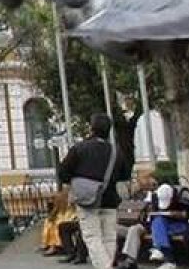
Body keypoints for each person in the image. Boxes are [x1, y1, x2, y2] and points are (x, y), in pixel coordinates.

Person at [57, 113, 133, 269]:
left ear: (91, 129)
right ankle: (109, 264)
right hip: (110, 199)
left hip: (87, 200)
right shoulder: (115, 151)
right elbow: (125, 174)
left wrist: (77, 180)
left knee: (92, 237)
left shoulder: (80, 148)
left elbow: (63, 172)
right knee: (109, 238)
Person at [118, 182, 189, 269]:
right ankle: (130, 261)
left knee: (159, 221)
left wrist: (184, 214)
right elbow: (151, 214)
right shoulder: (156, 196)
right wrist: (147, 216)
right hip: (154, 226)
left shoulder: (185, 195)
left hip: (180, 225)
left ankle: (166, 256)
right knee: (135, 229)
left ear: (173, 196)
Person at [40, 189, 78, 257]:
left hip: (69, 218)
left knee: (57, 224)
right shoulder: (60, 205)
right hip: (63, 216)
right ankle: (50, 245)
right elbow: (55, 212)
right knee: (49, 222)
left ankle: (54, 246)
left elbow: (73, 214)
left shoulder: (71, 203)